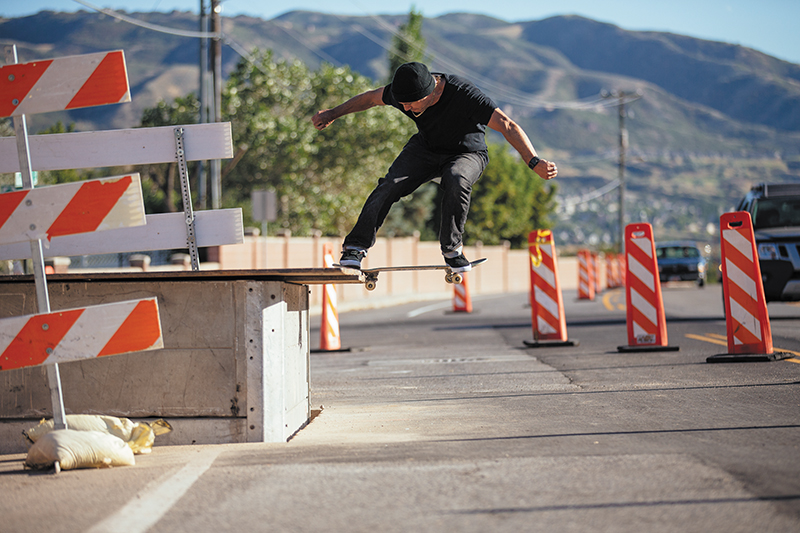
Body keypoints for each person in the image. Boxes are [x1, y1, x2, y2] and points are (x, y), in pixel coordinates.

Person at [312, 62, 558, 272]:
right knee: (389, 185)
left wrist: (533, 161)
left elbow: (506, 124)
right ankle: (356, 247)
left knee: (456, 177)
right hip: (425, 149)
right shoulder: (402, 95)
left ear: (431, 93)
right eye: (403, 104)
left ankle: (452, 248)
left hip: (467, 153)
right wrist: (333, 113)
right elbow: (369, 99)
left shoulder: (465, 95)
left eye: (412, 104)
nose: (407, 109)